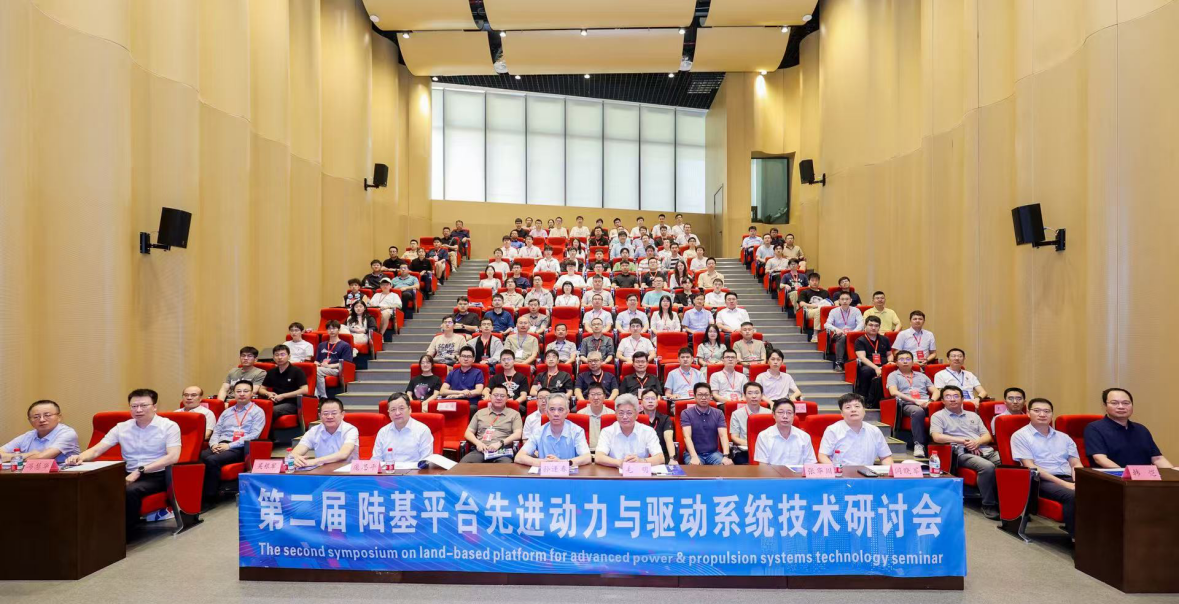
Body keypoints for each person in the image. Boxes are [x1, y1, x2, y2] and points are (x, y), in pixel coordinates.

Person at [65, 389, 181, 535]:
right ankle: (90, 531)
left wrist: (141, 470)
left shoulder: (169, 426)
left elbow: (173, 457)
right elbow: (96, 450)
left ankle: (122, 535)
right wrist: (79, 457)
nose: (138, 410)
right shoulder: (122, 427)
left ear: (154, 406)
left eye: (143, 405)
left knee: (129, 491)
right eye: (134, 406)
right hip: (128, 473)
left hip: (158, 475)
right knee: (93, 486)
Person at [1010, 398, 1082, 538]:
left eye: (1047, 411)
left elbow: (1075, 464)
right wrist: (1066, 484)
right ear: (1028, 413)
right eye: (1037, 411)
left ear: (1052, 414)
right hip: (1041, 480)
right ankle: (1078, 539)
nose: (1042, 414)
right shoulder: (1020, 436)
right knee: (1073, 495)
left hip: (1068, 477)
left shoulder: (1064, 437)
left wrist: (1078, 481)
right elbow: (1031, 466)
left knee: (1100, 491)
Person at [930, 385, 1001, 519]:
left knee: (1011, 463)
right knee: (987, 467)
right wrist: (965, 441)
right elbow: (937, 437)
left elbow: (987, 436)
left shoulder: (973, 415)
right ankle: (988, 504)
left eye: (956, 396)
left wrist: (977, 442)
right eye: (948, 397)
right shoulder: (938, 416)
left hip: (985, 449)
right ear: (943, 401)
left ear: (962, 399)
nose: (952, 399)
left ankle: (1010, 503)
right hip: (962, 453)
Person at [200, 381, 267, 505]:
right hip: (220, 444)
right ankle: (196, 495)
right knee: (198, 457)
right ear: (233, 393)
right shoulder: (227, 412)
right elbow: (216, 431)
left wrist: (229, 446)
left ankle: (210, 498)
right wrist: (214, 444)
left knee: (212, 460)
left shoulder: (257, 412)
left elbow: (254, 435)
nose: (242, 394)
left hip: (239, 447)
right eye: (238, 391)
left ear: (252, 393)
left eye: (246, 391)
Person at [1084, 387, 1173, 468]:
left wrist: (1174, 473)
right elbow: (1100, 459)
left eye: (1126, 403)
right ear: (1105, 406)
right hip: (1111, 478)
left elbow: (1157, 458)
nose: (1121, 407)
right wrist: (1126, 475)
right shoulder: (1094, 428)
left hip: (1143, 478)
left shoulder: (1141, 429)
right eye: (1114, 403)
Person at [818, 393, 895, 466]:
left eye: (857, 406)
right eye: (848, 407)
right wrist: (835, 470)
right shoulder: (832, 430)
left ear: (864, 411)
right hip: (840, 473)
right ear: (842, 413)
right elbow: (823, 456)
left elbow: (885, 457)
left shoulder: (874, 431)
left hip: (867, 473)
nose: (853, 410)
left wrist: (890, 470)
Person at [515, 394, 592, 466]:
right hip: (545, 473)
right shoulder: (538, 432)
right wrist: (541, 462)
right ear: (547, 412)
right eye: (552, 409)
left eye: (560, 409)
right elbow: (519, 457)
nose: (556, 414)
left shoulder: (577, 431)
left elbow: (587, 457)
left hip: (569, 474)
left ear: (567, 413)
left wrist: (562, 463)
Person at [887, 350, 935, 458]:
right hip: (907, 404)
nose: (905, 361)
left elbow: (936, 391)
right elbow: (893, 392)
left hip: (926, 402)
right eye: (901, 359)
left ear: (913, 362)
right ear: (896, 362)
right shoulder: (893, 375)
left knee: (941, 410)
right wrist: (914, 401)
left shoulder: (922, 375)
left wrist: (931, 401)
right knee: (917, 411)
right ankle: (919, 444)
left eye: (908, 359)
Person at [593, 395, 665, 466]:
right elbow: (599, 457)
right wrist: (619, 463)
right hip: (615, 471)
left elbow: (660, 458)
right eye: (621, 413)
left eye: (629, 413)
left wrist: (642, 461)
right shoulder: (607, 432)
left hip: (640, 471)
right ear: (616, 414)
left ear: (636, 415)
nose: (624, 417)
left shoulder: (648, 431)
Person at [459, 384, 523, 463]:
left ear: (507, 398)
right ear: (490, 397)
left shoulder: (514, 414)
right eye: (495, 395)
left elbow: (518, 434)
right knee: (465, 464)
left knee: (505, 467)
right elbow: (468, 433)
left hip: (502, 450)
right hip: (481, 449)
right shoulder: (480, 413)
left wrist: (500, 443)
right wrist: (478, 443)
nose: (498, 398)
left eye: (502, 396)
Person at [1, 400, 79, 464]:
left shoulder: (67, 433)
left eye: (47, 415)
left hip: (62, 476)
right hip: (31, 476)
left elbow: (41, 458)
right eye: (36, 417)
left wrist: (9, 457)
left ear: (59, 417)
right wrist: (28, 454)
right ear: (29, 420)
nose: (42, 420)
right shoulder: (28, 436)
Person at [288, 398, 359, 467]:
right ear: (320, 416)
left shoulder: (350, 430)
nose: (329, 417)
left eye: (334, 413)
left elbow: (343, 454)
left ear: (342, 414)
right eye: (325, 413)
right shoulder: (314, 431)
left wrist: (315, 461)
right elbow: (298, 450)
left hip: (347, 471)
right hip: (321, 471)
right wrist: (296, 457)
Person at [680, 383, 733, 465]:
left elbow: (723, 435)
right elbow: (687, 437)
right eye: (700, 395)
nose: (703, 398)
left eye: (706, 395)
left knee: (728, 466)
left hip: (713, 453)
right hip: (693, 454)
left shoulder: (718, 413)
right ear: (694, 396)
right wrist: (694, 457)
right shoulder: (686, 413)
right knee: (695, 468)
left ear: (711, 396)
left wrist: (726, 456)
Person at [753, 400, 817, 466]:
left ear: (794, 415)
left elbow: (810, 464)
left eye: (789, 413)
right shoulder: (764, 436)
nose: (785, 416)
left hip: (798, 473)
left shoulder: (804, 436)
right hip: (772, 472)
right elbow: (763, 467)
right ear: (773, 415)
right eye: (780, 412)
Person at [258, 345, 308, 426]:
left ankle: (268, 434)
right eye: (276, 355)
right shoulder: (271, 372)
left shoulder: (297, 371)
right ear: (273, 357)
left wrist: (283, 396)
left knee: (271, 411)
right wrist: (268, 394)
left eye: (282, 354)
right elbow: (261, 389)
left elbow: (304, 390)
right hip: (275, 401)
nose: (279, 357)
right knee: (257, 409)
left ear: (289, 356)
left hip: (292, 403)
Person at [853, 316, 893, 406]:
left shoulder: (884, 339)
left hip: (884, 364)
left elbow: (889, 354)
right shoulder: (860, 340)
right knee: (866, 371)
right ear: (865, 326)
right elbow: (862, 358)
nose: (873, 328)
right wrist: (876, 368)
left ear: (879, 327)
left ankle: (888, 399)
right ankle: (864, 398)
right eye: (871, 325)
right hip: (869, 365)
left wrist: (890, 362)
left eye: (876, 325)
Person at [728, 383, 770, 464]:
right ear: (744, 395)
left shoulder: (769, 413)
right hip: (746, 450)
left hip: (766, 450)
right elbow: (734, 437)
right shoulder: (737, 414)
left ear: (762, 395)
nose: (754, 396)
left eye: (757, 393)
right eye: (750, 393)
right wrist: (751, 444)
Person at [825, 292, 865, 370]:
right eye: (842, 299)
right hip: (839, 334)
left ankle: (859, 362)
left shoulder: (856, 310)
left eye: (847, 299)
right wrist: (837, 329)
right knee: (842, 337)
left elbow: (861, 324)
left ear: (850, 300)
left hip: (853, 334)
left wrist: (853, 333)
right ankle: (839, 362)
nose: (844, 301)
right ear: (839, 301)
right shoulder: (833, 311)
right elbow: (827, 324)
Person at [314, 321, 353, 398]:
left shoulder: (345, 345)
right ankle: (314, 396)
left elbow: (346, 363)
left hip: (337, 370)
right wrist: (316, 364)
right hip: (322, 367)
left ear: (339, 330)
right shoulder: (321, 345)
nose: (331, 330)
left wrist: (329, 366)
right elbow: (317, 360)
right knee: (311, 370)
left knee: (318, 371)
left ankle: (323, 397)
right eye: (329, 328)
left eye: (334, 328)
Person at [440, 347, 486, 414]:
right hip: (454, 402)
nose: (466, 359)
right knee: (439, 407)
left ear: (473, 359)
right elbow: (442, 391)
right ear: (459, 358)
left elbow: (478, 391)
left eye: (469, 356)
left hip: (470, 403)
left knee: (471, 409)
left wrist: (460, 396)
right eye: (463, 356)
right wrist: (461, 392)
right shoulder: (452, 373)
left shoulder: (478, 372)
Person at [578, 384, 616, 450]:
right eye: (592, 394)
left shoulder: (612, 414)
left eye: (599, 394)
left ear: (604, 396)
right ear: (588, 396)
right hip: (586, 451)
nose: (596, 398)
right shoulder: (580, 414)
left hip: (607, 451)